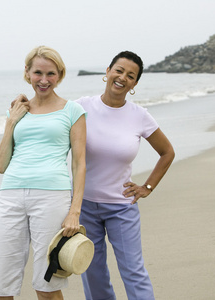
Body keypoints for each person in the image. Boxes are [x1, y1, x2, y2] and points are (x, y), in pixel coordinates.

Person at [75, 51, 175, 300]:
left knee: (133, 271)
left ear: (135, 84)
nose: (122, 78)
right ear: (107, 71)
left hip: (121, 207)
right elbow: (51, 124)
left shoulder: (139, 115)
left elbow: (167, 152)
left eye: (130, 76)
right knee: (93, 273)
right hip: (84, 207)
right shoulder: (81, 107)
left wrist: (147, 187)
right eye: (118, 70)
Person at [0, 45, 87, 300]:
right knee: (0, 286)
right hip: (10, 195)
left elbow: (79, 163)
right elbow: (0, 165)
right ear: (27, 73)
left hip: (52, 197)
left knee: (47, 285)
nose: (44, 80)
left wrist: (74, 211)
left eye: (51, 74)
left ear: (60, 74)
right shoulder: (17, 111)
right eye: (38, 73)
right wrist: (11, 121)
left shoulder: (72, 111)